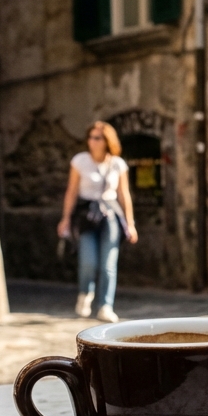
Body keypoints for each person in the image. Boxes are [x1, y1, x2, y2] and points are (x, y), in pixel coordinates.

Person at [57, 121, 138, 323]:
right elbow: (72, 191)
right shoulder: (80, 161)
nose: (92, 141)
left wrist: (130, 223)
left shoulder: (117, 164)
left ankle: (105, 306)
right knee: (88, 261)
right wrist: (65, 218)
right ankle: (85, 294)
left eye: (97, 138)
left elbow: (123, 194)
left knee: (108, 263)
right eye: (90, 137)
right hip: (86, 215)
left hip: (110, 213)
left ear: (106, 141)